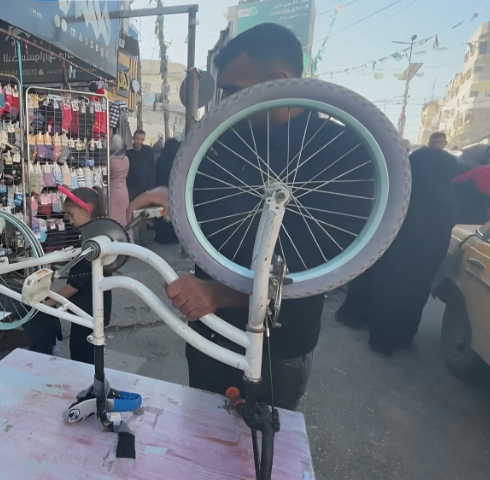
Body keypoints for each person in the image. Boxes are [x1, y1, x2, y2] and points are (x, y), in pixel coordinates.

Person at [126, 23, 369, 410]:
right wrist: (167, 196)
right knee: (201, 434)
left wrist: (217, 293)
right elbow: (202, 199)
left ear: (277, 80)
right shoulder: (229, 135)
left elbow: (321, 264)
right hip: (208, 331)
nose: (223, 102)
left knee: (258, 449)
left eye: (234, 91)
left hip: (277, 344)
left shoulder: (345, 150)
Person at [337, 147, 459, 355]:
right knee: (416, 291)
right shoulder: (449, 195)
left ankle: (381, 340)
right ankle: (403, 337)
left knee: (386, 288)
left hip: (395, 252)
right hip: (428, 255)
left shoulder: (402, 190)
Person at [41, 187, 112, 364]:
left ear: (86, 208)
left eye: (71, 215)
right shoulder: (101, 233)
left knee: (82, 357)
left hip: (86, 310)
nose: (70, 221)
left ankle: (89, 386)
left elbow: (74, 285)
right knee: (94, 353)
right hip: (98, 306)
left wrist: (47, 302)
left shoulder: (90, 242)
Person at [126, 129, 155, 201]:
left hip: (145, 189)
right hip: (131, 189)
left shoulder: (148, 152)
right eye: (137, 138)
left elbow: (152, 170)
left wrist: (150, 187)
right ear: (133, 138)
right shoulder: (128, 154)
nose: (139, 141)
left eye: (141, 139)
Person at [108, 135, 130, 227]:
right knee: (124, 217)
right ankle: (127, 237)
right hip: (124, 191)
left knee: (114, 216)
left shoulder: (111, 160)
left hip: (113, 191)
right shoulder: (126, 159)